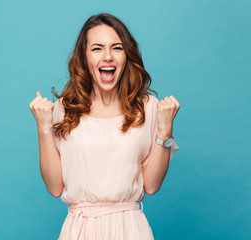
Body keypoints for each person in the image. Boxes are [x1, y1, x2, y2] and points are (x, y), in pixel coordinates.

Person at [29, 13, 180, 240]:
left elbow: (151, 186)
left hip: (130, 229)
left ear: (126, 55)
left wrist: (165, 129)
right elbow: (54, 188)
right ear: (84, 57)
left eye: (117, 48)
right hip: (79, 230)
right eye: (97, 48)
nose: (107, 57)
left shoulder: (148, 107)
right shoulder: (63, 109)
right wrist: (43, 128)